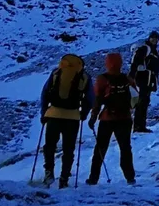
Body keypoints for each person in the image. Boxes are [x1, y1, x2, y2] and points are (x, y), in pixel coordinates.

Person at [38, 53, 90, 188]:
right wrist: (83, 113)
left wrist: (44, 113)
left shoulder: (56, 73)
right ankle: (64, 179)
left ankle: (48, 173)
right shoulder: (84, 77)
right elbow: (90, 98)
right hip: (72, 117)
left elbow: (45, 93)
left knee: (50, 146)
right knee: (68, 149)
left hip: (53, 115)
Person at [87, 53, 137, 184]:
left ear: (107, 63)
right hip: (125, 118)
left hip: (107, 118)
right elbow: (135, 97)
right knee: (125, 148)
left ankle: (93, 178)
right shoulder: (127, 79)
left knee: (100, 148)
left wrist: (93, 117)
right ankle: (130, 177)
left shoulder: (102, 79)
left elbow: (97, 99)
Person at [130, 30, 159, 133]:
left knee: (145, 102)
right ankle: (138, 126)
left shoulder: (155, 51)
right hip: (143, 79)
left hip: (149, 80)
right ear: (149, 38)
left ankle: (141, 125)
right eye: (152, 38)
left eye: (156, 38)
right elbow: (136, 62)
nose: (154, 40)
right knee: (142, 102)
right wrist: (132, 75)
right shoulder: (146, 48)